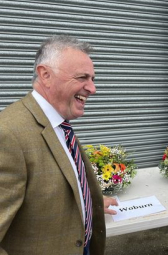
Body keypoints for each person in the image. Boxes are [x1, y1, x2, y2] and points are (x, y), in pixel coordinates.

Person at [0, 35, 118, 255]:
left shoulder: (58, 123)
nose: (93, 89)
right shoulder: (8, 134)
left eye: (92, 78)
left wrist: (87, 201)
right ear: (45, 75)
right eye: (83, 77)